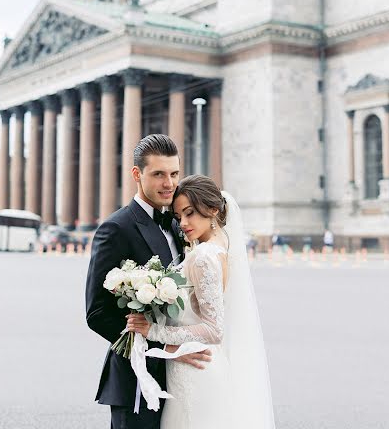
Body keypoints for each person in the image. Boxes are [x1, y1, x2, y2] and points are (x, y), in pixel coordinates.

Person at [128, 174, 276, 428]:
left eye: (190, 213)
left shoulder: (203, 256)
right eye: (178, 216)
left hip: (195, 370)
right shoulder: (220, 247)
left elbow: (213, 329)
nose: (183, 223)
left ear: (213, 210)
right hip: (202, 364)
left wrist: (153, 330)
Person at [85, 135, 211, 429]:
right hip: (137, 382)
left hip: (182, 378)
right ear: (136, 174)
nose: (169, 183)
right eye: (158, 174)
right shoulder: (116, 228)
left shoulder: (179, 223)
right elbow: (97, 313)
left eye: (174, 174)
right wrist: (164, 348)